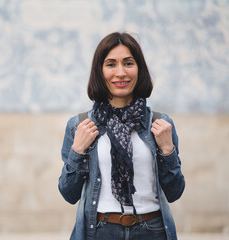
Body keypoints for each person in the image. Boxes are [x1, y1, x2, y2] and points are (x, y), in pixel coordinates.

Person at [58, 32, 185, 240]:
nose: (120, 72)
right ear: (99, 71)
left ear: (139, 69)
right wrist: (77, 151)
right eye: (110, 64)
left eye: (128, 63)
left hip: (152, 230)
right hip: (100, 230)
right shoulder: (79, 125)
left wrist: (168, 152)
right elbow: (68, 194)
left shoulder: (160, 124)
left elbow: (175, 192)